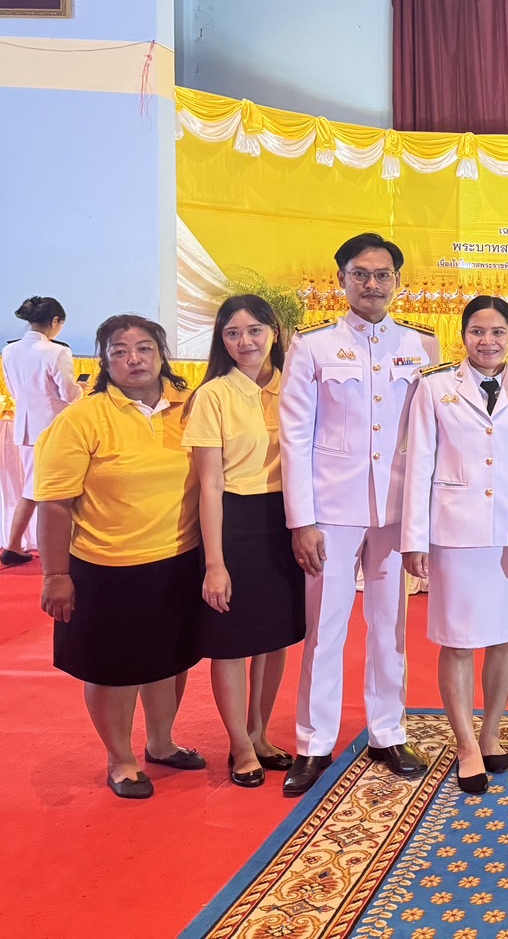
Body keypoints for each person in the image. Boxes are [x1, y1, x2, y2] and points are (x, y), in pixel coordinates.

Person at [278, 232, 440, 796]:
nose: (372, 284)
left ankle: (388, 731)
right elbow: (294, 437)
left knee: (390, 626)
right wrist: (302, 520)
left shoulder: (422, 346)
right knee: (325, 627)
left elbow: (431, 435)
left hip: (395, 510)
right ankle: (313, 742)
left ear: (398, 281)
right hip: (332, 509)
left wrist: (422, 517)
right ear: (342, 279)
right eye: (361, 274)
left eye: (382, 274)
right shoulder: (313, 346)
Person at [34, 315, 205, 799]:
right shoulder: (82, 419)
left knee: (171, 660)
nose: (134, 359)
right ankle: (120, 759)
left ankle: (162, 742)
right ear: (104, 361)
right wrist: (55, 575)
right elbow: (54, 504)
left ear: (161, 354)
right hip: (107, 568)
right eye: (119, 351)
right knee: (114, 669)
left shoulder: (188, 407)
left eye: (145, 348)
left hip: (178, 559)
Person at [402, 295, 508, 794]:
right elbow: (418, 461)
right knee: (459, 640)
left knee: (506, 636)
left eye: (498, 332)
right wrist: (414, 536)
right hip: (455, 531)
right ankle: (464, 745)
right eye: (478, 331)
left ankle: (491, 732)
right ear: (462, 336)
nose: (488, 341)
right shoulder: (435, 386)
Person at [183, 296, 306, 788]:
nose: (245, 342)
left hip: (287, 520)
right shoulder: (213, 395)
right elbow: (209, 485)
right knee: (232, 641)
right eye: (232, 333)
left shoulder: (296, 385)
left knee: (274, 639)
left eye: (254, 330)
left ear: (274, 332)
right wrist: (215, 562)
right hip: (233, 521)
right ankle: (238, 744)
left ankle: (259, 733)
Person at [2, 295, 80, 564]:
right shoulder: (57, 352)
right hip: (53, 429)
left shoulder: (9, 350)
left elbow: (13, 390)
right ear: (55, 321)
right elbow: (69, 393)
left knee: (32, 488)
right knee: (53, 491)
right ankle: (46, 550)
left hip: (25, 428)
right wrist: (83, 389)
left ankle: (14, 545)